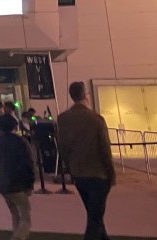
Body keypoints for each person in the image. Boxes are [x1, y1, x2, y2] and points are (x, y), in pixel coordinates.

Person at [56, 81, 116, 240]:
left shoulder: (63, 119)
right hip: (98, 173)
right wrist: (111, 173)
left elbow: (62, 147)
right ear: (85, 95)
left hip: (79, 173)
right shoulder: (96, 119)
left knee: (94, 214)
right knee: (95, 218)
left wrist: (70, 168)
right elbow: (105, 148)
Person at [0, 113, 36, 240]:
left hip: (2, 184)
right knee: (25, 217)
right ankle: (17, 238)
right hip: (19, 183)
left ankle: (16, 234)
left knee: (15, 213)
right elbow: (29, 164)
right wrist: (30, 184)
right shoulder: (21, 142)